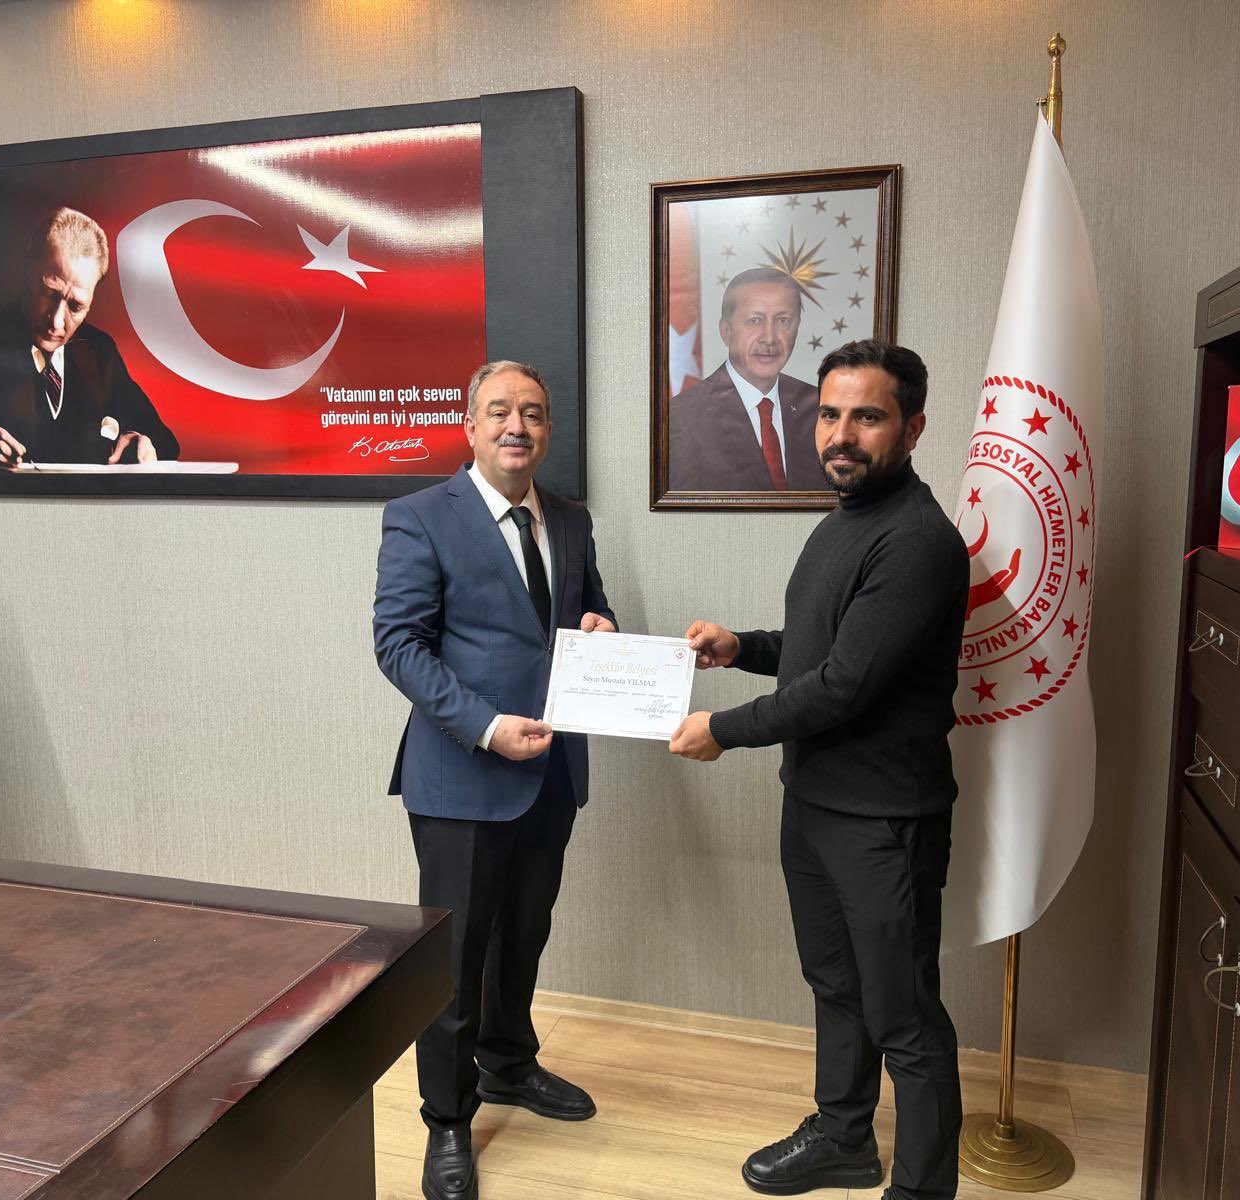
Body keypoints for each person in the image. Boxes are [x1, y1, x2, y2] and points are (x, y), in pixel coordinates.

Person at [670, 339, 969, 1200]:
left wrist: (724, 729)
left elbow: (844, 686)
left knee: (904, 1016)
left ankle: (921, 1189)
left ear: (913, 429)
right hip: (814, 802)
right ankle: (844, 1137)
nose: (841, 434)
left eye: (866, 416)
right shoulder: (845, 520)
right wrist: (742, 646)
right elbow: (822, 652)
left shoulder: (919, 541)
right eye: (830, 413)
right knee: (835, 984)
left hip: (884, 821)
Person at [373, 360, 616, 1200]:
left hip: (552, 771)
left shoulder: (572, 520)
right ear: (470, 425)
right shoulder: (419, 516)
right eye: (502, 411)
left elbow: (588, 610)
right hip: (463, 775)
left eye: (535, 414)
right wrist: (484, 726)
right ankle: (447, 1118)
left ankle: (510, 1063)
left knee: (523, 935)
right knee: (453, 960)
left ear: (547, 430)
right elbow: (399, 645)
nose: (519, 426)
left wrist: (602, 626)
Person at [0, 206, 179, 473]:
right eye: (49, 293)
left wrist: (140, 441)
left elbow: (165, 441)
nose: (56, 322)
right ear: (27, 273)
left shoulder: (99, 351)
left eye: (75, 306)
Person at [667, 267, 827, 492]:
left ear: (797, 327)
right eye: (755, 320)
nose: (769, 338)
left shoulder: (821, 407)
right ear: (726, 331)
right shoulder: (681, 418)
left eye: (783, 321)